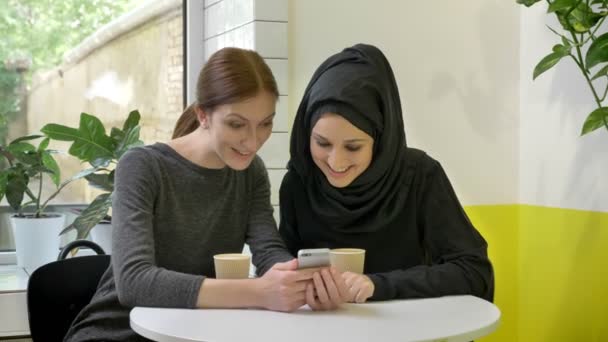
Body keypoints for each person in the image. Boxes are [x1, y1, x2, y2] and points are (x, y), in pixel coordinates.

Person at [64, 47, 346, 342]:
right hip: (116, 331)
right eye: (237, 124)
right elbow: (134, 282)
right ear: (203, 115)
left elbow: (267, 251)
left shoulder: (251, 173)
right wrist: (259, 292)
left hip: (195, 330)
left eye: (265, 124)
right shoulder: (143, 166)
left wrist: (301, 281)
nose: (252, 142)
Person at [279, 43, 494, 304]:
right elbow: (284, 271)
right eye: (322, 143)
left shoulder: (420, 176)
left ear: (380, 141)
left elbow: (473, 271)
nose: (335, 162)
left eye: (353, 147)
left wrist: (377, 285)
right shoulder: (299, 183)